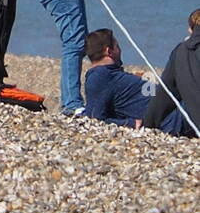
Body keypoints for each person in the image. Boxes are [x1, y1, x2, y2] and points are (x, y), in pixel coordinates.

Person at [141, 9, 200, 137]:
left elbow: (165, 94)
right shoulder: (182, 52)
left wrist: (147, 125)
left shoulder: (181, 52)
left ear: (191, 29)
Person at [82, 29, 150, 127]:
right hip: (170, 115)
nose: (120, 50)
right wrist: (131, 123)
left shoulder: (109, 74)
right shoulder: (99, 76)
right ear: (109, 51)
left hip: (167, 101)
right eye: (117, 47)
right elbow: (94, 118)